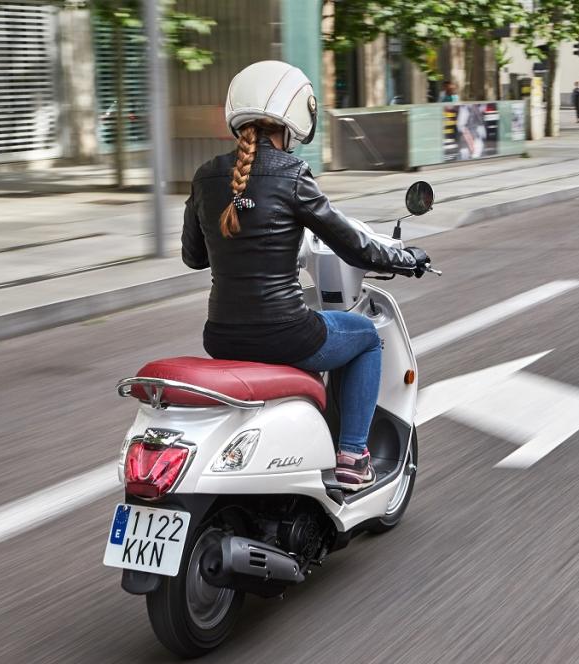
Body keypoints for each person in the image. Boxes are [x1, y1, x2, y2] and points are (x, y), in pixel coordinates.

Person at [181, 61, 430, 490]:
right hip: (284, 332)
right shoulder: (292, 174)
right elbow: (349, 241)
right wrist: (405, 259)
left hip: (220, 335)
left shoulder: (206, 176)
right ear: (295, 117)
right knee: (367, 338)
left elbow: (194, 257)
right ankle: (353, 455)